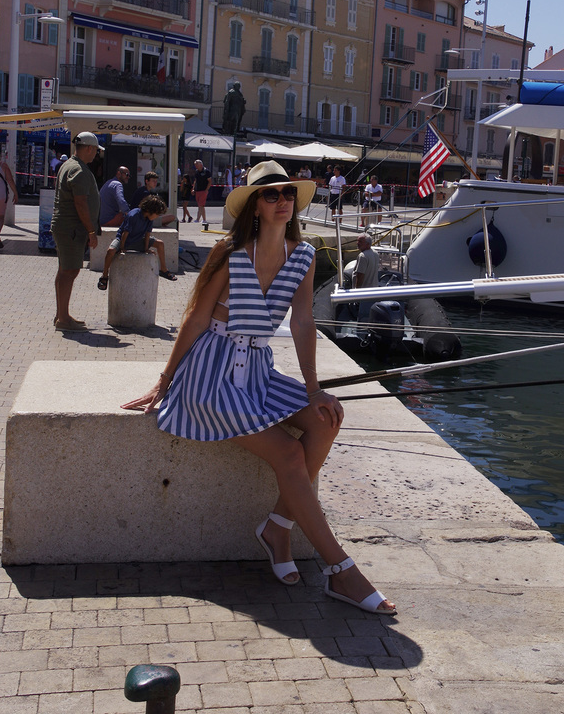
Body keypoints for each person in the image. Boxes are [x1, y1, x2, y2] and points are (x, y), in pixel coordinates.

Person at [122, 160, 394, 615]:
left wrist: (314, 388)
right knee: (289, 453)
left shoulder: (303, 257)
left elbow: (304, 321)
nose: (283, 201)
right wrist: (164, 381)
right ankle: (339, 570)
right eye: (271, 195)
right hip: (209, 372)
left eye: (288, 193)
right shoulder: (230, 253)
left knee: (326, 420)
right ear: (255, 205)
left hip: (257, 369)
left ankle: (278, 525)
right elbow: (193, 318)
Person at [50, 131, 103, 331]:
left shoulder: (70, 165)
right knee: (69, 271)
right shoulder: (79, 170)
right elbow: (80, 203)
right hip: (71, 228)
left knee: (66, 270)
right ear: (89, 148)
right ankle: (63, 319)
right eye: (96, 151)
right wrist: (91, 231)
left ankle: (61, 315)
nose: (96, 154)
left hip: (67, 228)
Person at [97, 196, 177, 290]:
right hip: (123, 240)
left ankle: (163, 270)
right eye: (157, 214)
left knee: (160, 244)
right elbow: (125, 233)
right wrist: (122, 247)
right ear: (150, 210)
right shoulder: (133, 215)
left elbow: (147, 234)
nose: (158, 217)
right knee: (110, 251)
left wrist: (146, 249)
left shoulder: (149, 219)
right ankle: (105, 276)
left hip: (138, 239)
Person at [354, 233, 380, 324]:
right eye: (357, 241)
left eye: (360, 241)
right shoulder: (375, 254)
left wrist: (356, 292)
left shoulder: (363, 256)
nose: (358, 243)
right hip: (374, 291)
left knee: (363, 318)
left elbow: (360, 275)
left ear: (368, 244)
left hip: (364, 293)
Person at [0, 148, 17, 250]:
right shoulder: (3, 166)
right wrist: (15, 193)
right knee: (0, 217)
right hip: (0, 195)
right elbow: (10, 180)